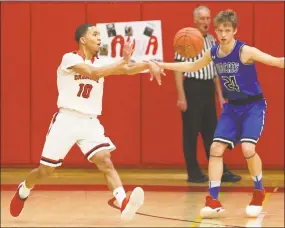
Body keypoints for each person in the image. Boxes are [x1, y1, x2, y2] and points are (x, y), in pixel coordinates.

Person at [10, 24, 163, 220]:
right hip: (66, 119)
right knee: (45, 171)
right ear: (83, 39)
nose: (100, 38)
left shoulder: (103, 62)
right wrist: (124, 61)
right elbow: (94, 73)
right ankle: (24, 189)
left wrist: (149, 64)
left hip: (90, 121)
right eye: (95, 34)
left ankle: (123, 201)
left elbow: (126, 69)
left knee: (105, 160)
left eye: (100, 35)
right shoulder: (70, 58)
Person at [152, 9, 284, 218]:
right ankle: (213, 199)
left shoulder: (245, 51)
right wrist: (162, 64)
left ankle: (258, 190)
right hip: (232, 108)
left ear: (235, 31)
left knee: (248, 148)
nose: (222, 34)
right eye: (220, 30)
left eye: (227, 30)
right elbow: (192, 65)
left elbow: (277, 61)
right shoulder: (213, 52)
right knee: (215, 147)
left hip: (252, 106)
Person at [174, 5, 241, 183]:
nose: (206, 22)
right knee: (190, 133)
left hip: (208, 89)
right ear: (195, 20)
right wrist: (181, 96)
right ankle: (193, 172)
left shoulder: (212, 40)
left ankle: (220, 171)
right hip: (192, 88)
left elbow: (215, 71)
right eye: (202, 18)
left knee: (213, 132)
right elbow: (178, 71)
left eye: (208, 18)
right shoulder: (185, 38)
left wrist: (219, 95)